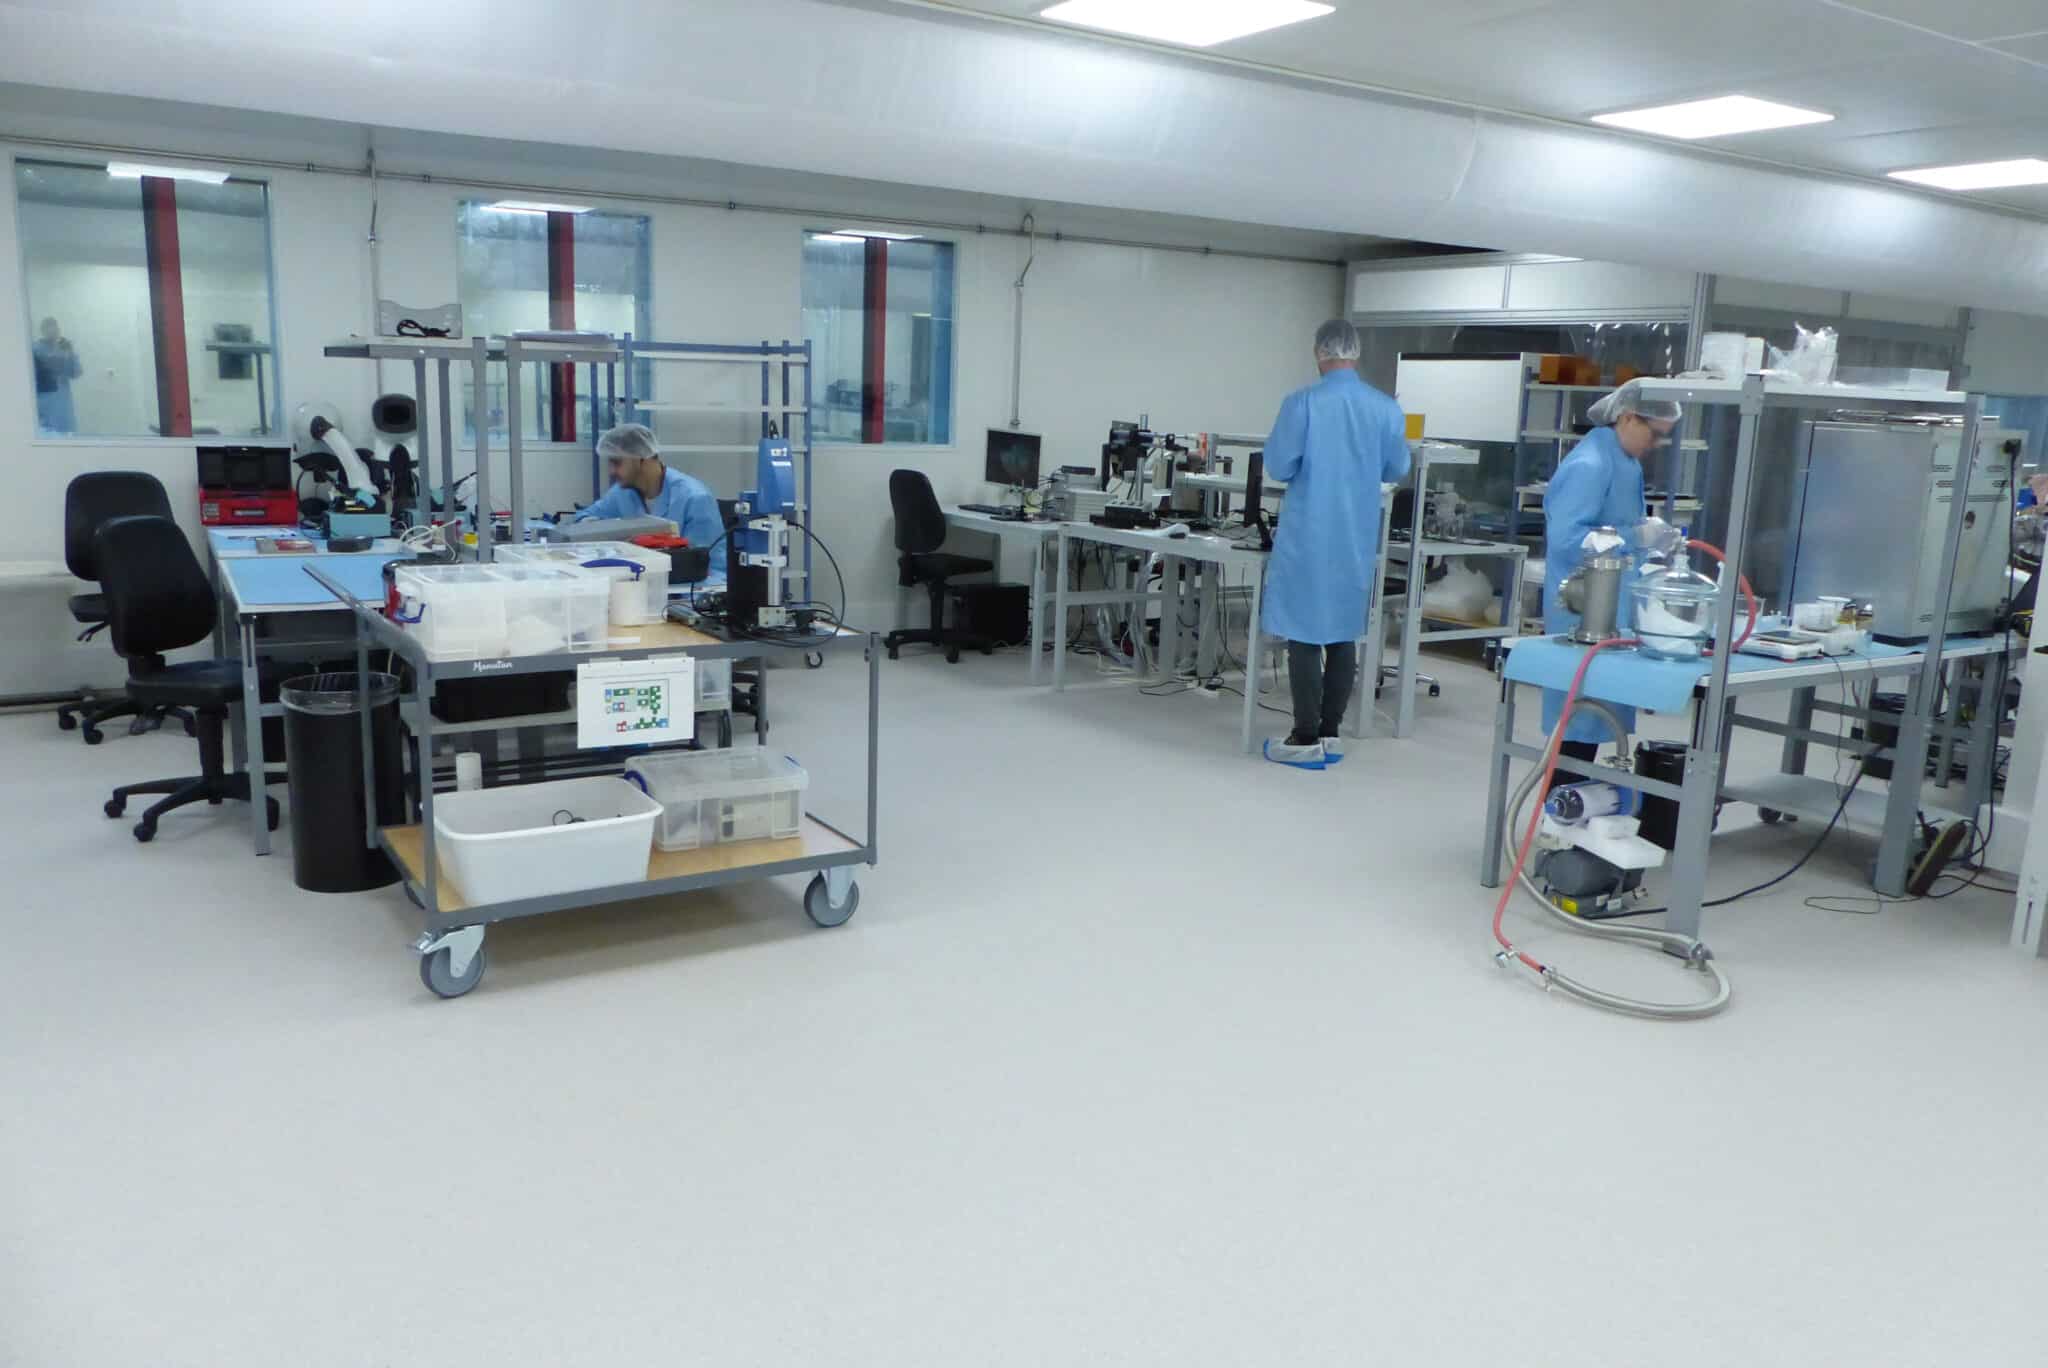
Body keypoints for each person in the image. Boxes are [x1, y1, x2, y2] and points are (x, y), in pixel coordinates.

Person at [1258, 319, 1413, 770]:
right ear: (1356, 353)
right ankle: (1330, 733)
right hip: (1356, 536)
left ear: (1318, 352)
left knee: (1305, 633)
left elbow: (1280, 465)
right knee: (1343, 633)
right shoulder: (1385, 409)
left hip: (1310, 535)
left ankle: (1304, 736)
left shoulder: (1302, 403)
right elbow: (1395, 469)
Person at [1542, 380, 1683, 778]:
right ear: (1626, 417)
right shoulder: (1590, 465)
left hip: (1614, 608)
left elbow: (1619, 523)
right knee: (1578, 721)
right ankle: (1560, 809)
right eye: (1653, 433)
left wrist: (1651, 541)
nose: (1655, 444)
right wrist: (1632, 538)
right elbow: (1568, 540)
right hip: (1584, 609)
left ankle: (1578, 807)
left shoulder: (1625, 461)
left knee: (1600, 716)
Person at [577, 423, 726, 583]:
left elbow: (710, 569)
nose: (612, 471)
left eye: (617, 462)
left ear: (642, 459)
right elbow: (582, 521)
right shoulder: (623, 493)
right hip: (640, 587)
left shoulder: (694, 499)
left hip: (683, 595)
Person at [31, 316, 82, 435]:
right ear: (42, 331)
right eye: (48, 327)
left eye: (55, 327)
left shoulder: (64, 348)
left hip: (63, 404)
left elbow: (76, 372)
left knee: (67, 436)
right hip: (44, 403)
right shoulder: (35, 349)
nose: (52, 331)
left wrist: (69, 353)